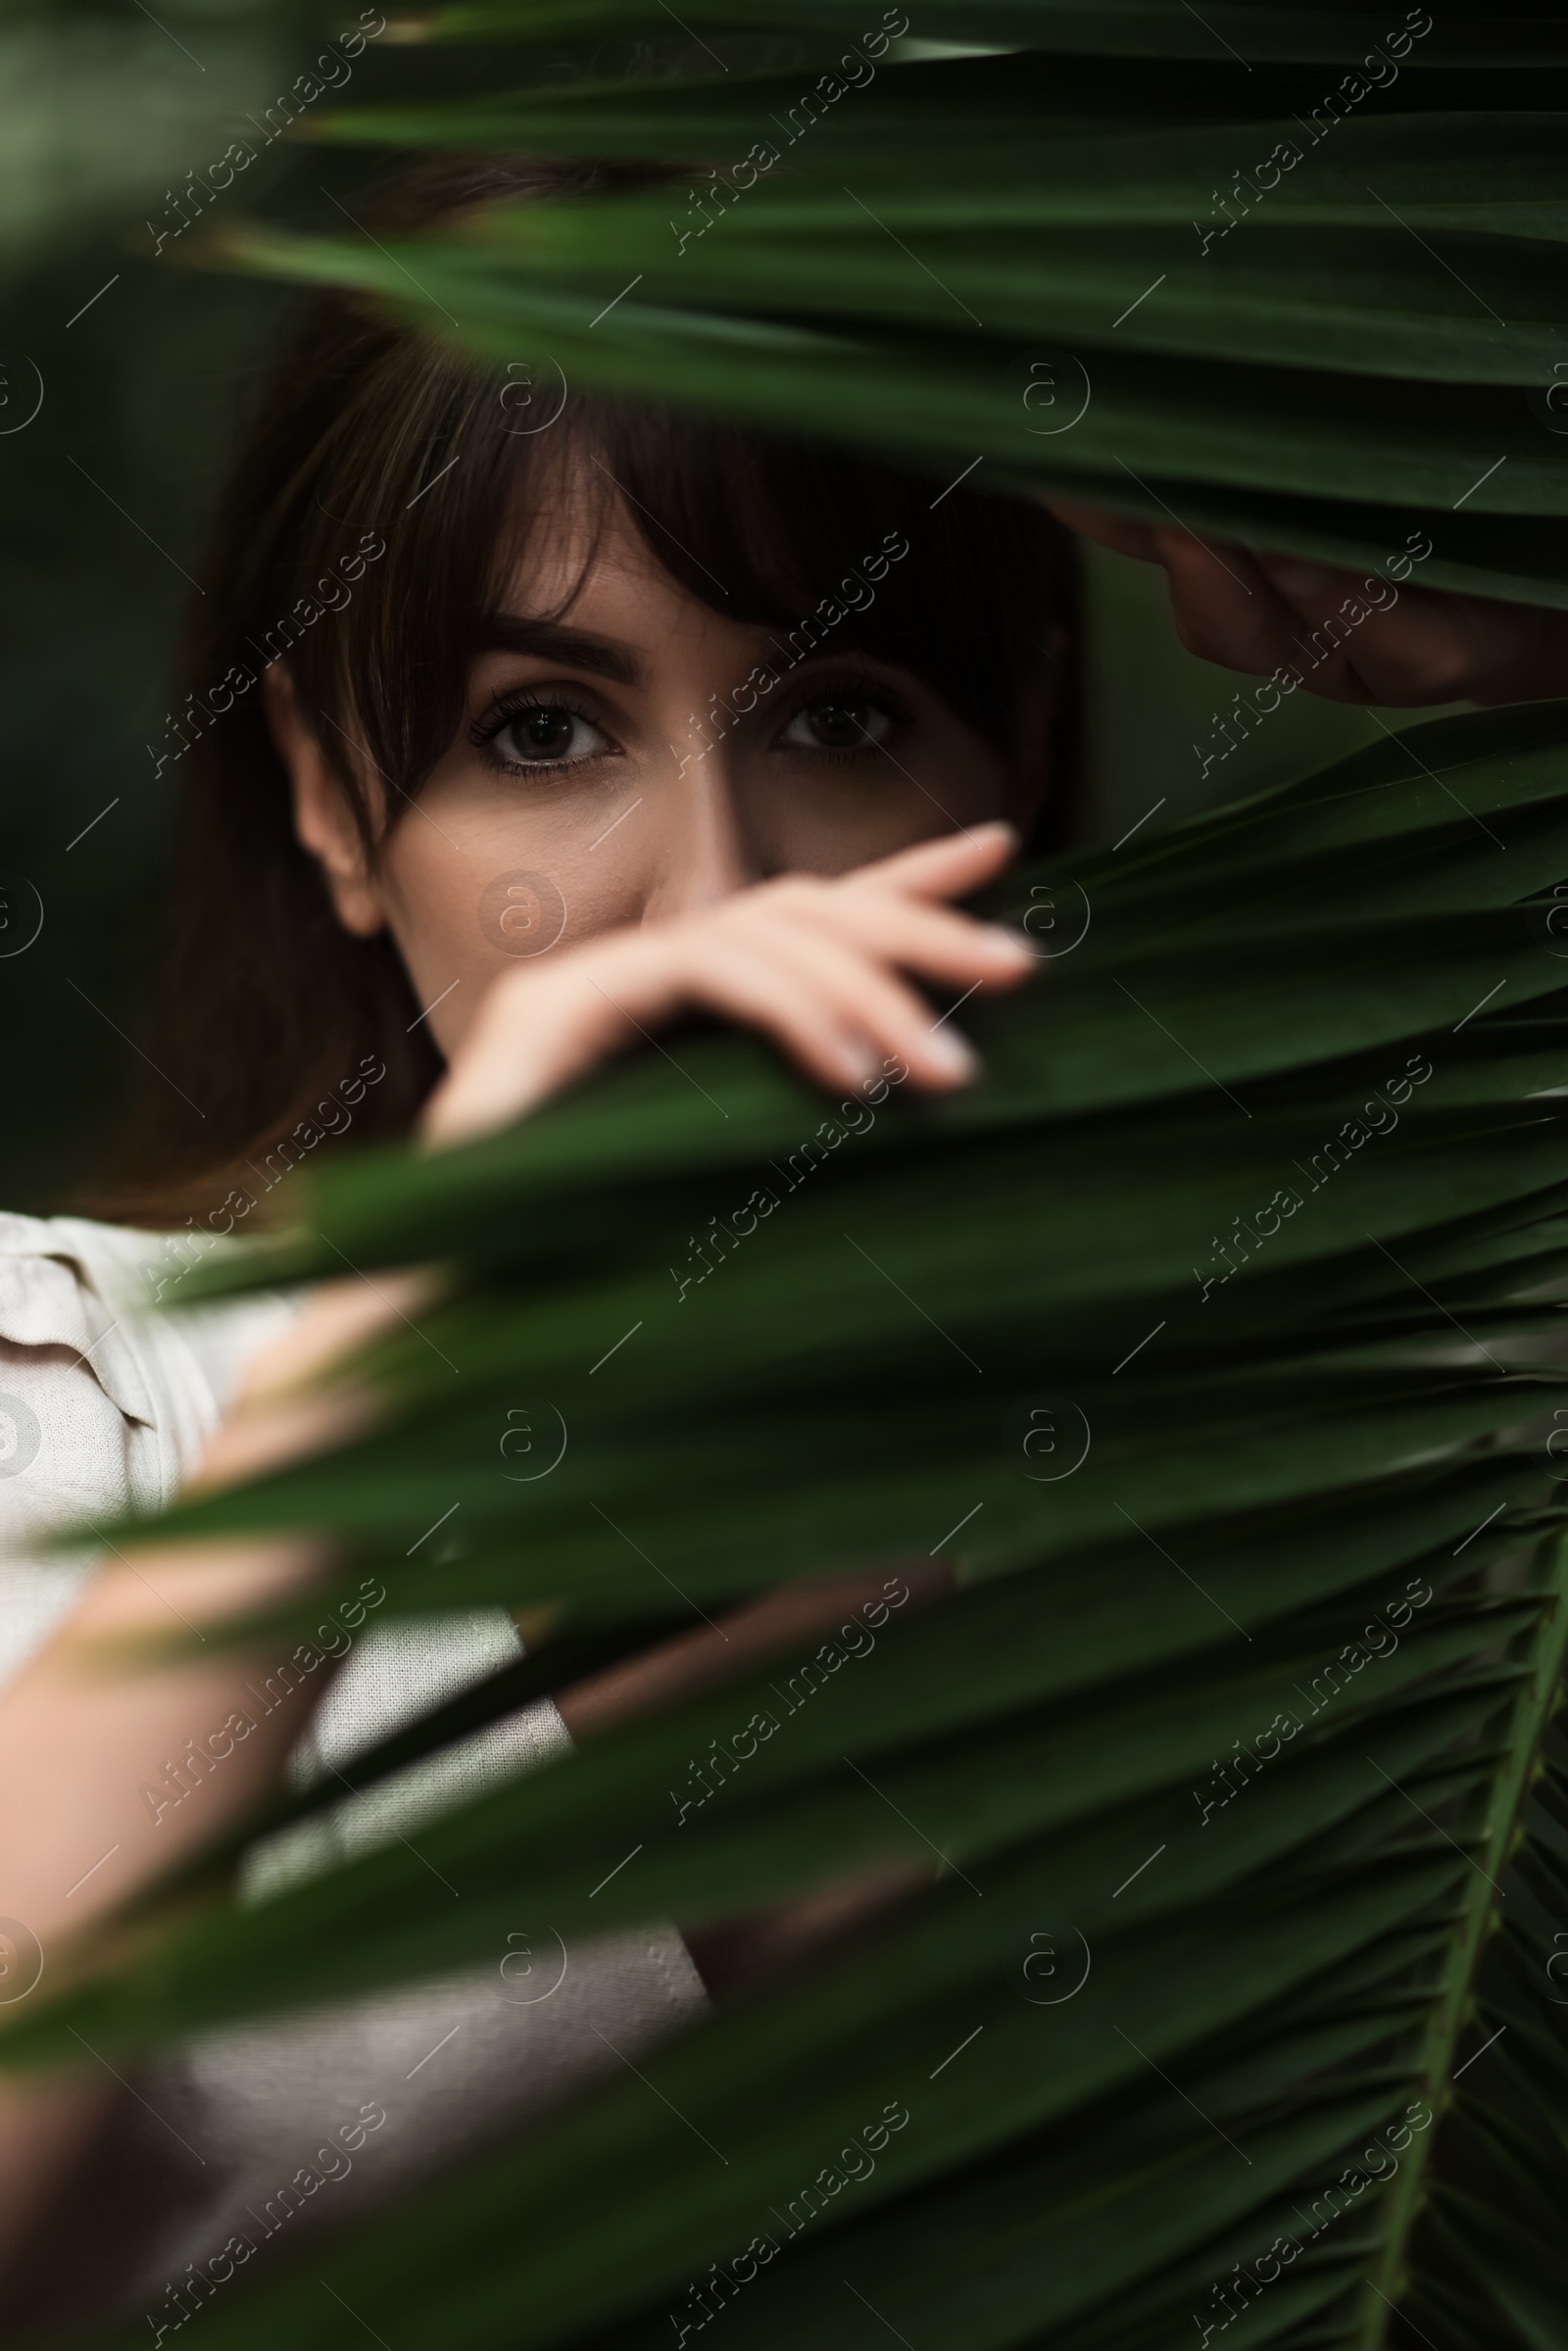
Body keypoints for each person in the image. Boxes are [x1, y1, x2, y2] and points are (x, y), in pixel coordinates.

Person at [1, 154, 1564, 2330]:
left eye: (839, 715)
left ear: (1007, 777)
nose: (710, 894)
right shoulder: (68, 1405)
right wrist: (374, 1377)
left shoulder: (1339, 1515)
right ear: (342, 809)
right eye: (536, 732)